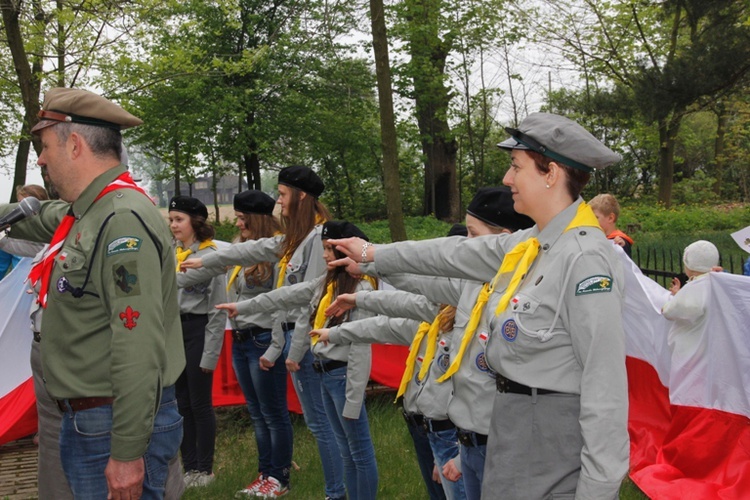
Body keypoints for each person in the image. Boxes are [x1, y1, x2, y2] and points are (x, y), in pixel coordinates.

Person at [328, 112, 629, 499]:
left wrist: (599, 488)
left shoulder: (583, 257)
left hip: (551, 433)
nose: (507, 179)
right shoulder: (532, 244)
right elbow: (452, 254)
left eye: (515, 166)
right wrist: (373, 252)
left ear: (550, 173)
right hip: (509, 421)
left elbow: (604, 383)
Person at [2, 87, 185, 499]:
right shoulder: (88, 210)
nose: (42, 160)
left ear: (75, 144)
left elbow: (137, 343)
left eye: (45, 146)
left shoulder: (121, 220)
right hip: (92, 417)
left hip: (112, 423)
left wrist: (126, 454)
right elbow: (35, 219)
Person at [324, 186, 533, 500]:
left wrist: (373, 255)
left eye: (472, 235)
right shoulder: (472, 286)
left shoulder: (519, 302)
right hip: (468, 440)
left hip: (497, 446)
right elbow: (420, 283)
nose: (465, 247)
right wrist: (368, 263)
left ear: (503, 239)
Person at [181, 166, 344, 499]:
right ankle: (301, 482)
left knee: (323, 427)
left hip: (305, 345)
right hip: (287, 342)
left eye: (283, 195)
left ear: (301, 196)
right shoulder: (296, 238)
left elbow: (307, 304)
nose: (279, 203)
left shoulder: (319, 238)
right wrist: (208, 261)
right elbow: (252, 250)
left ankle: (335, 491)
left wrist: (293, 351)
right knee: (311, 423)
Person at [217, 220, 379, 500]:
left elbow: (361, 348)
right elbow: (284, 295)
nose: (325, 256)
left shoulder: (361, 290)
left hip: (343, 377)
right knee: (345, 448)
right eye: (325, 249)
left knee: (359, 450)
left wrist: (354, 398)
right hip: (326, 374)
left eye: (330, 249)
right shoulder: (326, 284)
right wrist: (241, 306)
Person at [178, 190, 295, 496]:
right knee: (257, 414)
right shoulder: (239, 248)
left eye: (243, 219)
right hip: (242, 340)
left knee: (273, 413)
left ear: (257, 219)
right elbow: (205, 271)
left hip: (264, 337)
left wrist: (274, 346)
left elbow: (282, 302)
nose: (239, 225)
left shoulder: (277, 249)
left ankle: (278, 477)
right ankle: (264, 473)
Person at [169, 196, 227, 488]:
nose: (173, 225)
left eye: (178, 219)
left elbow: (217, 310)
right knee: (181, 403)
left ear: (196, 221)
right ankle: (188, 466)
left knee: (199, 403)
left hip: (198, 330)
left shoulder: (210, 256)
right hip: (175, 332)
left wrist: (210, 354)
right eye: (171, 220)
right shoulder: (172, 253)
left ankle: (205, 469)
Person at [662, 240, 719, 367]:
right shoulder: (718, 283)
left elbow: (670, 311)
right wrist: (680, 295)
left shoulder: (694, 287)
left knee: (689, 383)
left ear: (689, 265)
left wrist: (671, 302)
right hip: (712, 346)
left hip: (692, 351)